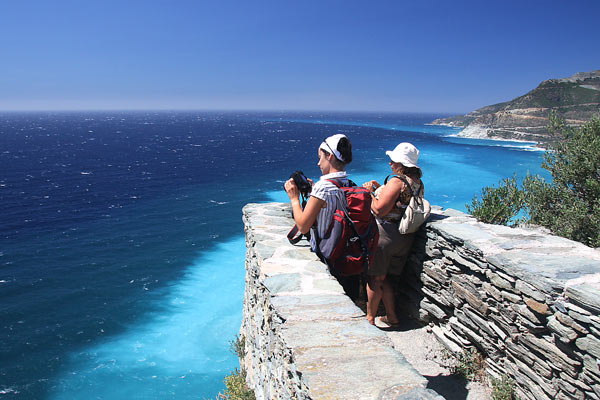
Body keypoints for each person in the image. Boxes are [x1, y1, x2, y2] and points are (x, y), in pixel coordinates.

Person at [284, 134, 358, 297]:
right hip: (347, 253)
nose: (318, 163)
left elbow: (303, 226)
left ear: (330, 156)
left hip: (327, 256)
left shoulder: (323, 188)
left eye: (320, 158)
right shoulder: (348, 183)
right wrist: (313, 191)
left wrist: (294, 199)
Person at [362, 142, 424, 327]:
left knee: (375, 279)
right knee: (388, 279)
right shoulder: (417, 183)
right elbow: (400, 202)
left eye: (393, 161)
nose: (390, 164)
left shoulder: (397, 181)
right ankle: (392, 317)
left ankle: (370, 319)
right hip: (405, 236)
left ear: (401, 164)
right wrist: (381, 187)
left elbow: (380, 210)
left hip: (385, 236)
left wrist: (369, 193)